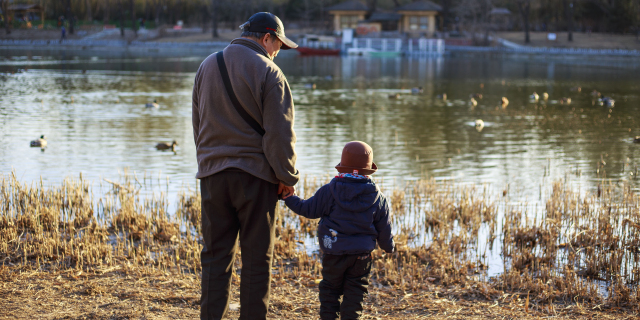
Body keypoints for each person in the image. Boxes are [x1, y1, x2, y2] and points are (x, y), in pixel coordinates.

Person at [192, 12, 300, 320]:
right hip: (255, 179)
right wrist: (286, 176)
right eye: (278, 44)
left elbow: (197, 124)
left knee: (214, 258)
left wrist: (208, 163)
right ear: (267, 38)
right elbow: (280, 134)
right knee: (255, 261)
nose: (278, 51)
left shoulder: (207, 65)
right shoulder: (270, 72)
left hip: (213, 175)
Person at [284, 141, 395, 320]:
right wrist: (389, 247)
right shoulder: (378, 198)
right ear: (369, 170)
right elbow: (384, 229)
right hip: (361, 256)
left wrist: (289, 198)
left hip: (333, 252)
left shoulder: (329, 191)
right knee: (356, 293)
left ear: (342, 166)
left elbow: (307, 209)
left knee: (330, 290)